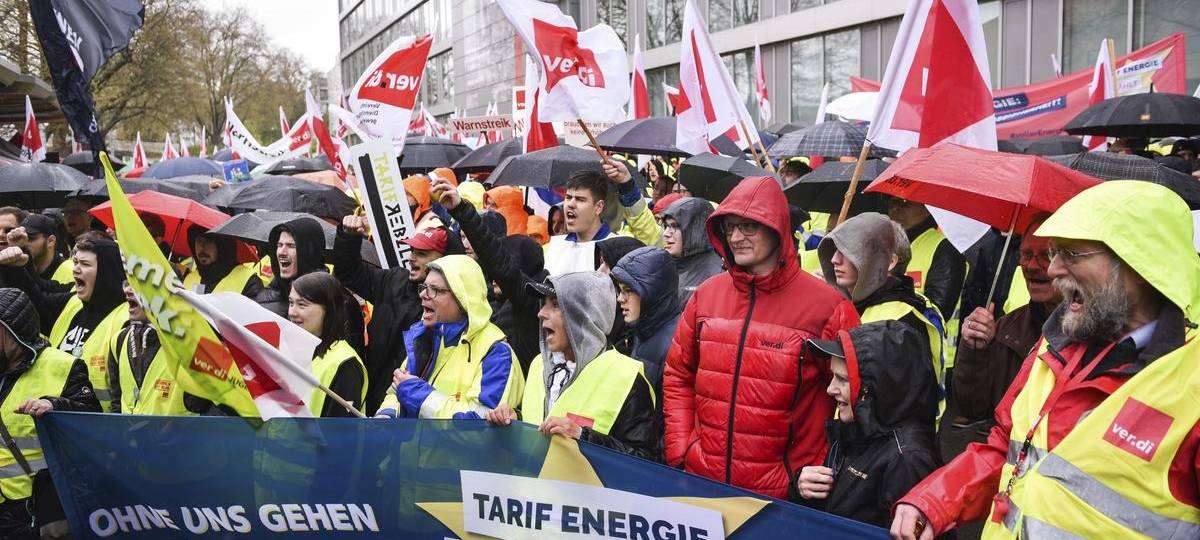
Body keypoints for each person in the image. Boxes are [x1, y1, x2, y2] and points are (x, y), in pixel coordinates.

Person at [892, 181, 1200, 540]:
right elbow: (1008, 448)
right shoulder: (1054, 345)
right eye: (1053, 253)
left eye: (1070, 254)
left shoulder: (1189, 381)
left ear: (1137, 261)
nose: (1052, 270)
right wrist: (935, 501)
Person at [663, 175, 860, 499]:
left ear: (776, 228)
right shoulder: (707, 296)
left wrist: (820, 467)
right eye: (729, 228)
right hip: (702, 485)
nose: (736, 237)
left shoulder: (828, 307)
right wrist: (682, 450)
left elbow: (853, 395)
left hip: (783, 499)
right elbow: (678, 375)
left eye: (748, 226)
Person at [486, 271, 659, 461]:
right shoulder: (538, 365)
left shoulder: (626, 376)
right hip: (532, 488)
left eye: (556, 304)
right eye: (544, 303)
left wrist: (583, 437)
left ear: (584, 316)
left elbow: (645, 461)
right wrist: (514, 420)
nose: (541, 313)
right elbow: (538, 424)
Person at [795, 321, 941, 529]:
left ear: (875, 388)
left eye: (841, 379)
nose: (830, 389)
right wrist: (802, 490)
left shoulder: (908, 460)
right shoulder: (858, 429)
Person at [0, 288, 101, 540]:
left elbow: (92, 420)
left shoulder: (62, 366)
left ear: (13, 332)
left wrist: (54, 405)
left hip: (34, 510)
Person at [336, 214, 461, 414]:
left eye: (421, 253)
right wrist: (348, 238)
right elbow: (349, 273)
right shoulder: (394, 279)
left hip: (409, 411)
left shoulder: (454, 310)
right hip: (373, 399)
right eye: (412, 250)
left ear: (445, 261)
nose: (411, 257)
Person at [818, 212, 946, 405]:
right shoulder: (858, 304)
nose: (834, 260)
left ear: (889, 262)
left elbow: (887, 404)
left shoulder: (899, 319)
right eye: (835, 249)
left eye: (850, 250)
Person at [376, 255, 523, 419]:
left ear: (463, 298)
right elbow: (398, 389)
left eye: (436, 290)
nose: (423, 294)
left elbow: (481, 426)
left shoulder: (496, 352)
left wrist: (419, 396)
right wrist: (386, 416)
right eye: (424, 287)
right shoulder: (424, 336)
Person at [0, 232, 127, 411]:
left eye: (85, 264)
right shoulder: (72, 302)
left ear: (106, 271)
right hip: (55, 414)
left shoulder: (125, 320)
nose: (75, 269)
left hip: (100, 426)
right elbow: (32, 306)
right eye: (75, 262)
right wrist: (13, 269)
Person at [953, 216, 1058, 425]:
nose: (1032, 265)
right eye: (1026, 254)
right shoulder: (1007, 329)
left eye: (1046, 256)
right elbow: (974, 409)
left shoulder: (1094, 336)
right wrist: (975, 350)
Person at [437, 177, 547, 372]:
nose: (496, 277)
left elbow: (501, 265)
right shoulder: (492, 301)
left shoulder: (533, 302)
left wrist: (462, 210)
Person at [543, 162, 661, 276]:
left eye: (580, 199)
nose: (570, 204)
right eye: (568, 197)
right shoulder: (553, 246)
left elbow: (653, 248)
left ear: (598, 207)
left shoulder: (619, 250)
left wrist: (627, 186)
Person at [288, 272, 367, 417]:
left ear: (328, 310)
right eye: (291, 303)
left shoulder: (345, 364)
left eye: (301, 305)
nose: (292, 312)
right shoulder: (291, 349)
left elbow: (340, 433)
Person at [611, 246, 682, 400]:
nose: (620, 299)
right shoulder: (644, 328)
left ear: (652, 292)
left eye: (628, 290)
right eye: (620, 290)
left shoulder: (676, 343)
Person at [107, 281, 188, 415]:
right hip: (128, 435)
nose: (127, 290)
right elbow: (116, 403)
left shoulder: (191, 345)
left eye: (138, 283)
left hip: (177, 436)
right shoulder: (119, 340)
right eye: (127, 283)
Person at [255, 217, 328, 317]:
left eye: (291, 246)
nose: (281, 252)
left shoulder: (331, 300)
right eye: (279, 245)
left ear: (309, 252)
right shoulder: (264, 299)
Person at [659, 197, 723, 304]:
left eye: (675, 226)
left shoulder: (716, 275)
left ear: (695, 229)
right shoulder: (664, 265)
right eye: (666, 226)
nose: (666, 233)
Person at [182, 227, 262, 297]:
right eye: (199, 240)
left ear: (222, 246)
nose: (202, 247)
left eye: (208, 241)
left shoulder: (249, 281)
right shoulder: (189, 278)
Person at [18, 214, 72, 286]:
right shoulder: (19, 269)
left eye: (31, 238)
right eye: (20, 238)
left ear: (50, 241)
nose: (24, 243)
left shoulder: (71, 270)